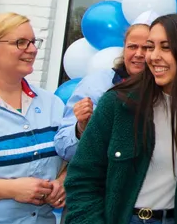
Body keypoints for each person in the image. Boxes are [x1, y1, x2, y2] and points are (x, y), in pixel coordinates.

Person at [59, 14, 177, 224]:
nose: (153, 56)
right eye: (151, 46)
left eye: (166, 47)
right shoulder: (118, 102)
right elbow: (81, 178)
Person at [0, 13, 65, 224]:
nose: (32, 49)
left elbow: (69, 158)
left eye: (33, 42)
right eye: (20, 42)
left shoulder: (52, 103)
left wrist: (61, 182)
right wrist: (12, 189)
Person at [55, 15, 154, 161]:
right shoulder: (96, 84)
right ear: (124, 48)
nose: (139, 54)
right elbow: (64, 149)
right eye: (132, 46)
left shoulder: (167, 87)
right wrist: (80, 129)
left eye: (146, 48)